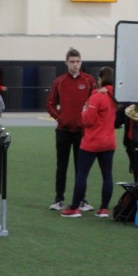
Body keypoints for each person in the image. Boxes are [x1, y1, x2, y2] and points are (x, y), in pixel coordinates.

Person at [61, 67, 116, 218]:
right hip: (109, 141)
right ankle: (104, 208)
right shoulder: (115, 97)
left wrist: (84, 111)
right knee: (107, 175)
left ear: (101, 79)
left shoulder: (97, 97)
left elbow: (88, 121)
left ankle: (74, 208)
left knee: (82, 175)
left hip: (92, 141)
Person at [47, 48, 97, 212]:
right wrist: (60, 118)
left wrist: (88, 121)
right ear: (66, 63)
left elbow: (95, 103)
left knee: (80, 168)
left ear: (81, 62)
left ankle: (81, 200)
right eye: (72, 62)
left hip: (82, 132)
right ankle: (59, 199)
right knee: (61, 166)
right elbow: (50, 104)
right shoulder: (59, 82)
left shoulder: (89, 81)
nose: (75, 64)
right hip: (63, 131)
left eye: (78, 61)